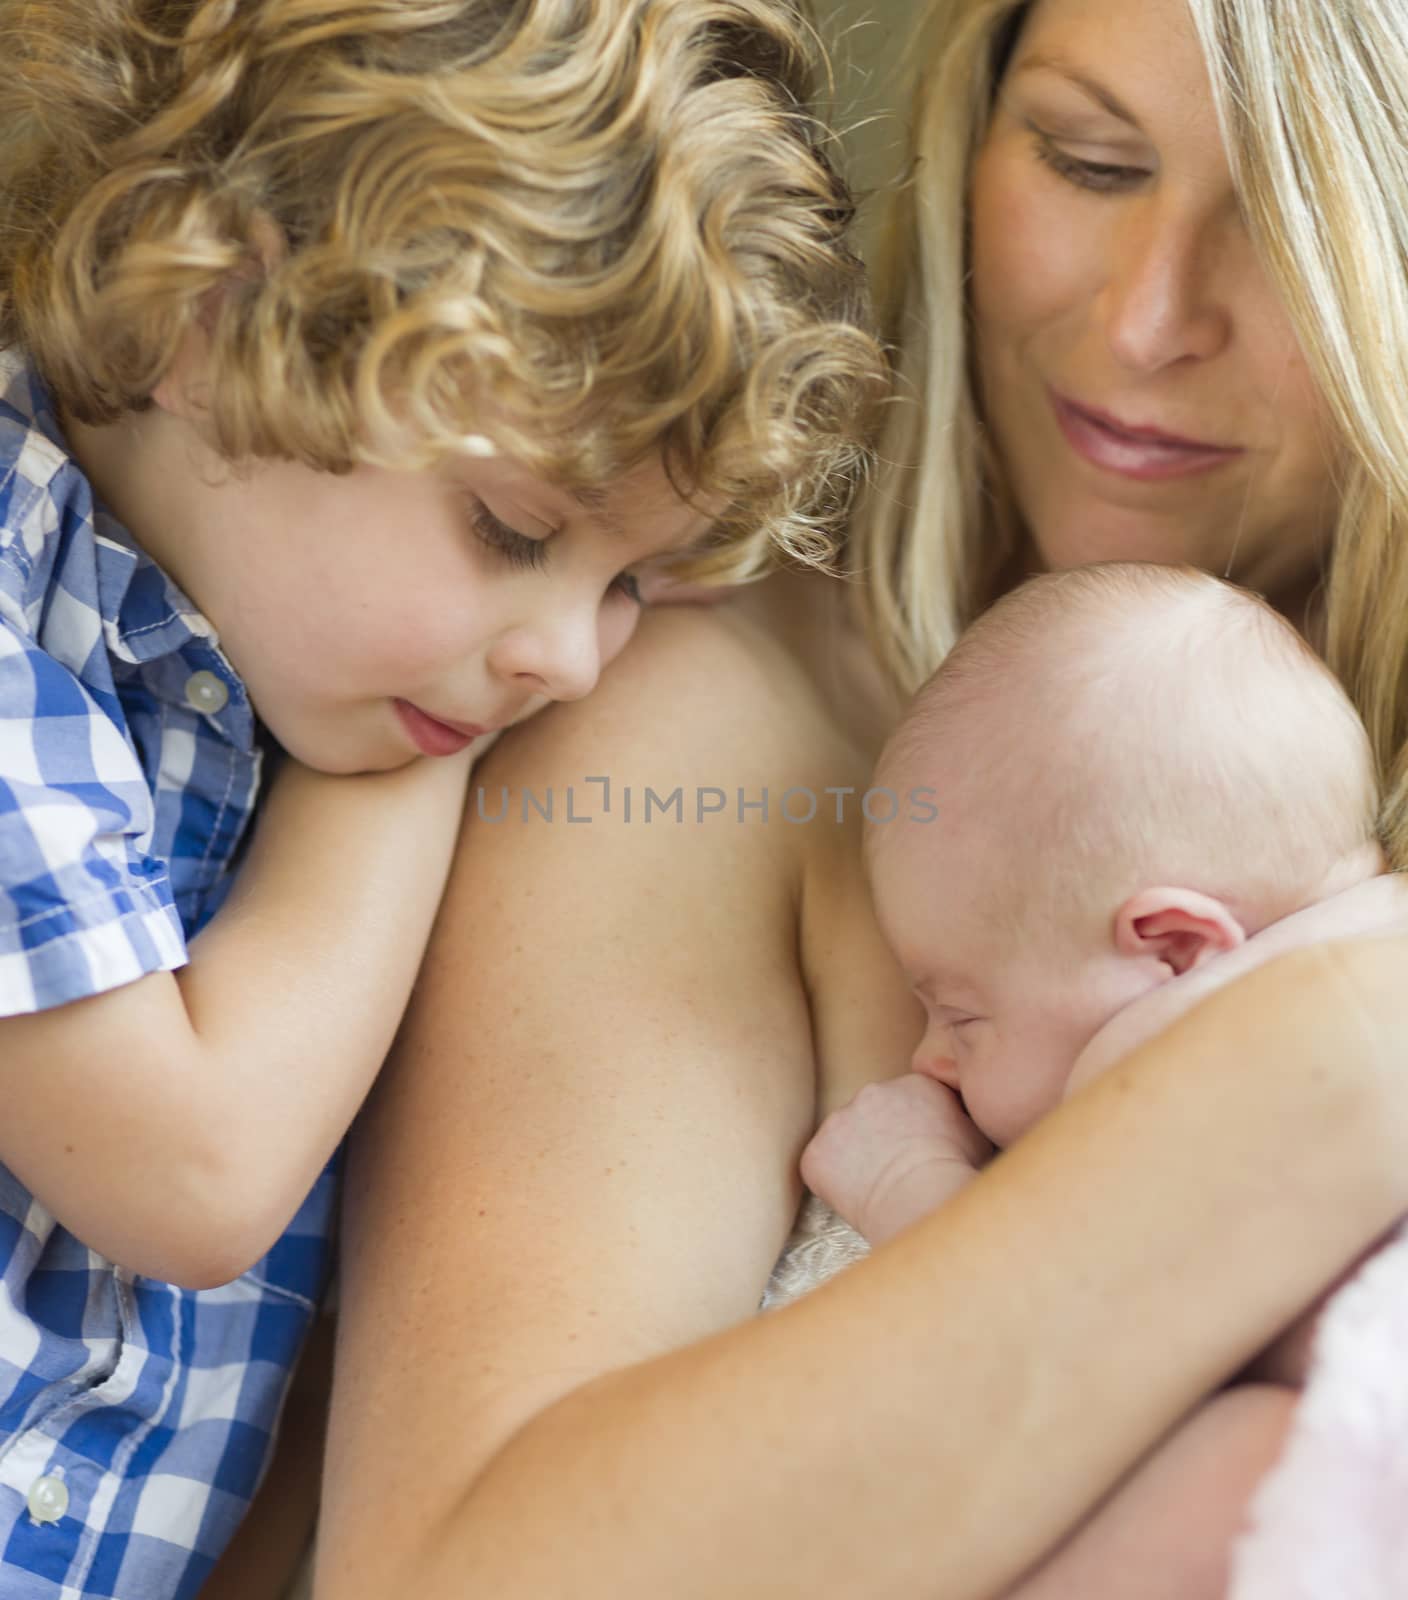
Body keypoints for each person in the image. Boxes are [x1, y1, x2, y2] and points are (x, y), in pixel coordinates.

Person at [310, 2, 1408, 1598]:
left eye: (1296, 212)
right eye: (1086, 159)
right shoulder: (695, 730)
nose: (1149, 318)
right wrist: (1328, 1065)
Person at [0, 2, 884, 1596]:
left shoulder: (263, 666)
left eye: (635, 585)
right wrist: (430, 754)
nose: (568, 658)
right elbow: (189, 1171)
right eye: (511, 528)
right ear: (210, 316)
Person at [800, 560, 1405, 1597]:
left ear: (1170, 948)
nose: (927, 1056)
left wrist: (909, 1181)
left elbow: (1042, 1320)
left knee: (1221, 1474)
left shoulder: (1206, 1040)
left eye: (962, 1012)